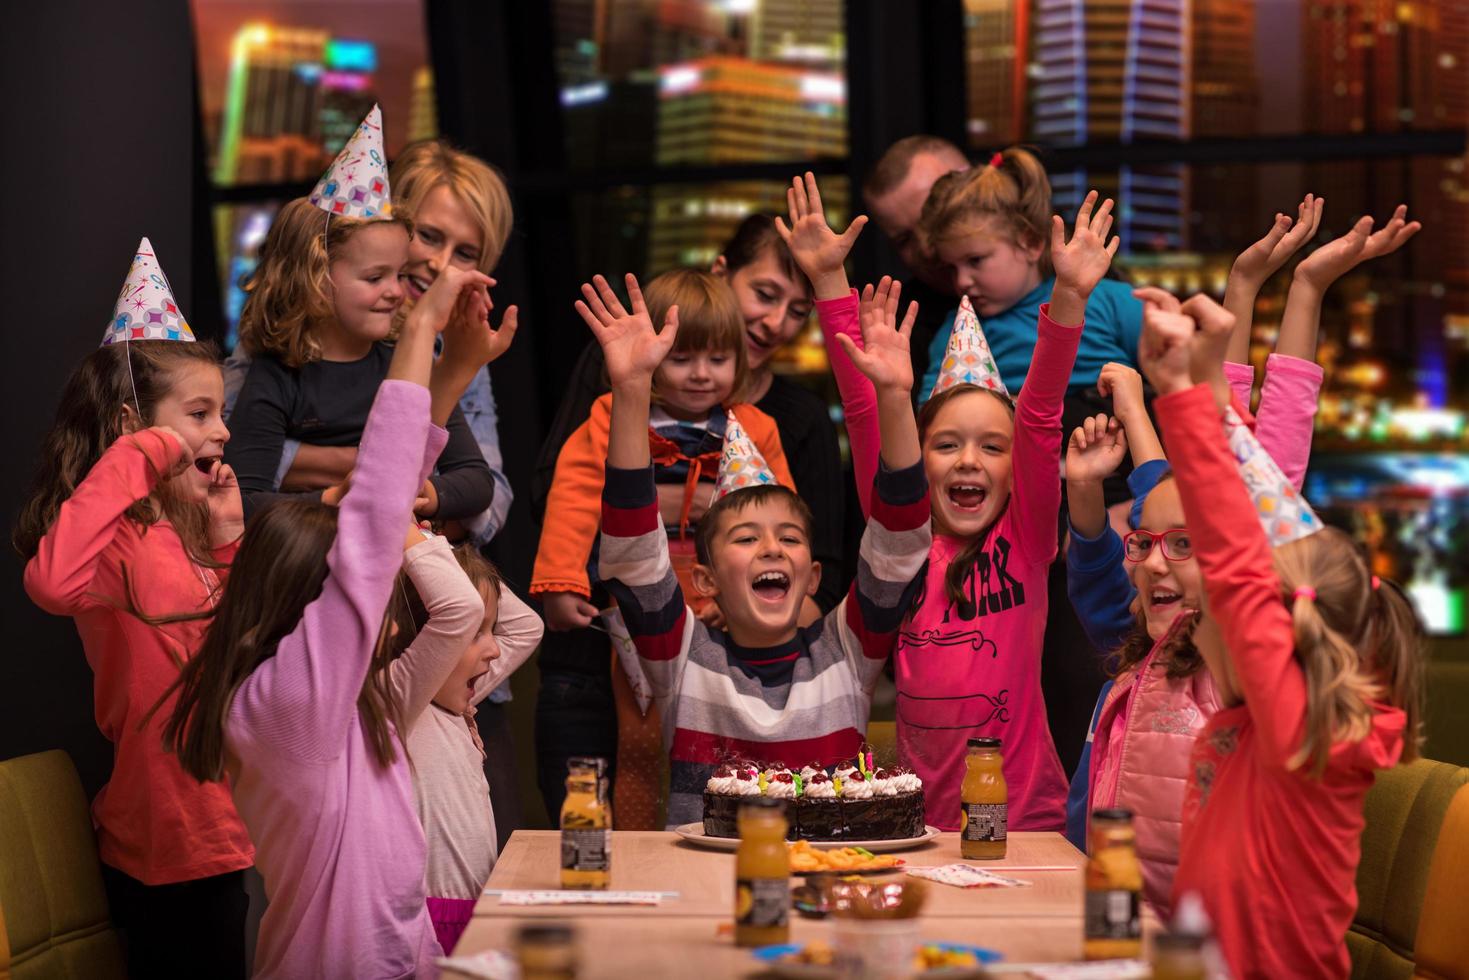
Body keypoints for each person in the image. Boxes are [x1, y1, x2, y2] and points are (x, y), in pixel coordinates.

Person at [1059, 201, 1422, 890]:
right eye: (1144, 543)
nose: (1157, 557)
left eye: (1189, 545)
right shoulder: (1147, 645)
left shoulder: (1253, 685)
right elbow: (1212, 475)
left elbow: (1250, 464)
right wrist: (1246, 290)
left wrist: (1296, 292)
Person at [164, 263, 512, 977]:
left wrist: (450, 377)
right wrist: (417, 333)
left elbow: (389, 502)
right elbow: (376, 518)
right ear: (308, 607)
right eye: (359, 585)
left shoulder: (359, 707)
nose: (382, 593)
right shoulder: (287, 706)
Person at [787, 170, 1121, 832]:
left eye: (991, 449)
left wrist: (1070, 296)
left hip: (1025, 818)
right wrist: (829, 284)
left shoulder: (1025, 539)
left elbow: (1040, 413)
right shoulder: (897, 541)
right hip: (914, 824)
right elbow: (863, 414)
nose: (969, 461)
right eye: (946, 445)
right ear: (917, 456)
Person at [1138, 294, 1423, 978]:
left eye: (1213, 614)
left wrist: (1178, 395)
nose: (1195, 628)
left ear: (1258, 637)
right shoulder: (1246, 728)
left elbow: (1236, 557)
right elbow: (1249, 515)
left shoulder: (1296, 734)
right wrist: (1212, 393)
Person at [586, 271, 932, 828]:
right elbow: (631, 554)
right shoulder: (682, 658)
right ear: (705, 581)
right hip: (708, 896)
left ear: (813, 575)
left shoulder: (848, 651)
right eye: (746, 538)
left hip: (829, 888)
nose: (772, 547)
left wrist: (894, 398)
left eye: (789, 538)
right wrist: (631, 393)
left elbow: (899, 548)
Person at [530, 218, 846, 822]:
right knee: (644, 723)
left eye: (718, 359)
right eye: (682, 359)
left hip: (723, 602)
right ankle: (645, 834)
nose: (701, 374)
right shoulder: (612, 413)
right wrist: (563, 580)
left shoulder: (760, 426)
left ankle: (709, 819)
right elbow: (571, 495)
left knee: (714, 728)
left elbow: (787, 515)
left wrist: (756, 590)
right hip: (633, 606)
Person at [16, 241, 254, 977]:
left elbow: (243, 656)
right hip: (165, 840)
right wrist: (138, 453)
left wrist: (226, 546)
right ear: (134, 424)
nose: (221, 431)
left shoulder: (185, 533)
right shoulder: (113, 539)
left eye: (222, 412)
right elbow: (53, 584)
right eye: (200, 413)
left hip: (234, 823)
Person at [225, 114, 503, 526]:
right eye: (428, 237)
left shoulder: (414, 359)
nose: (398, 288)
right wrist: (349, 487)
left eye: (465, 253)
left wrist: (429, 494)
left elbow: (485, 488)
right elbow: (234, 494)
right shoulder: (278, 366)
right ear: (317, 278)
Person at [391, 544, 543, 954]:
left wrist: (431, 542)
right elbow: (452, 611)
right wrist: (414, 541)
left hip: (475, 913)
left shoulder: (456, 698)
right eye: (475, 633)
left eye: (491, 630)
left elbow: (528, 627)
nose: (494, 650)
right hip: (427, 925)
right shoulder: (401, 704)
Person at [861, 134, 970, 383]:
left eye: (931, 217)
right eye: (905, 239)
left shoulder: (1060, 272)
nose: (927, 248)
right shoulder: (902, 329)